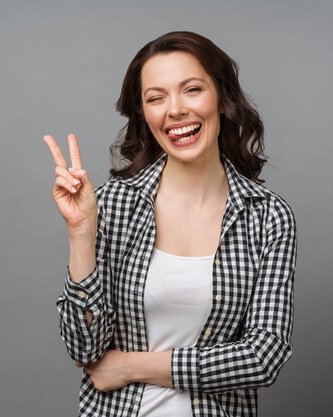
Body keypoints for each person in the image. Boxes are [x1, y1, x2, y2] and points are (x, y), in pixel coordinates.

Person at [44, 31, 297, 417]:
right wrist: (81, 234)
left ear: (222, 97)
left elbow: (264, 355)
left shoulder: (266, 216)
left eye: (191, 89)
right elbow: (84, 350)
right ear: (145, 114)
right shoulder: (114, 203)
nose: (175, 110)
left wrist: (131, 366)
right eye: (156, 98)